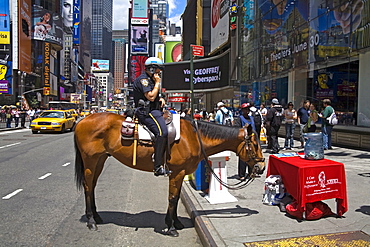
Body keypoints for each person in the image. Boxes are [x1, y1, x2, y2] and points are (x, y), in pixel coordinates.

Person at [133, 57, 172, 176]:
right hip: (147, 112)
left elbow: (154, 96)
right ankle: (157, 166)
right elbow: (150, 96)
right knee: (162, 132)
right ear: (152, 69)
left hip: (154, 109)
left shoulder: (150, 79)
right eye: (158, 69)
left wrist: (160, 98)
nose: (159, 72)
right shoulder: (144, 80)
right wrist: (158, 83)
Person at [233, 103, 256, 180]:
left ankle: (250, 172)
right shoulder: (240, 118)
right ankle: (241, 174)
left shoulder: (251, 118)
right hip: (244, 141)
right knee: (243, 158)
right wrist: (243, 128)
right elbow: (236, 129)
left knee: (252, 157)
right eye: (245, 109)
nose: (247, 111)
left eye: (248, 109)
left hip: (251, 140)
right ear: (242, 110)